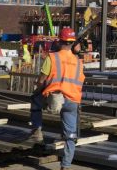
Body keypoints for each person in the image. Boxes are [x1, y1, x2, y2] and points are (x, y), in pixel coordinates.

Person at [28, 28, 85, 170]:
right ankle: (65, 166)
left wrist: (38, 90)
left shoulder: (52, 57)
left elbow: (42, 80)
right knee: (70, 136)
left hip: (54, 98)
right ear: (72, 44)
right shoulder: (79, 62)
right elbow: (81, 81)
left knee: (35, 99)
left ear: (59, 42)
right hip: (73, 101)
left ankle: (37, 131)